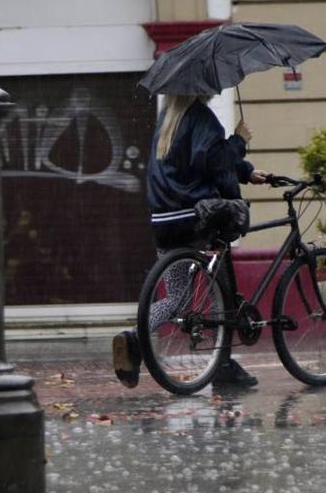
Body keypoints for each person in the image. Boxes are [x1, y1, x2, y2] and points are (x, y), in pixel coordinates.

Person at [112, 94, 268, 389]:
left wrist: (246, 171)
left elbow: (194, 163)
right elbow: (216, 164)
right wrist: (239, 140)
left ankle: (134, 337)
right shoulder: (202, 118)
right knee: (222, 286)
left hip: (164, 222)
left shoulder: (167, 119)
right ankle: (222, 365)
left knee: (177, 297)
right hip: (195, 219)